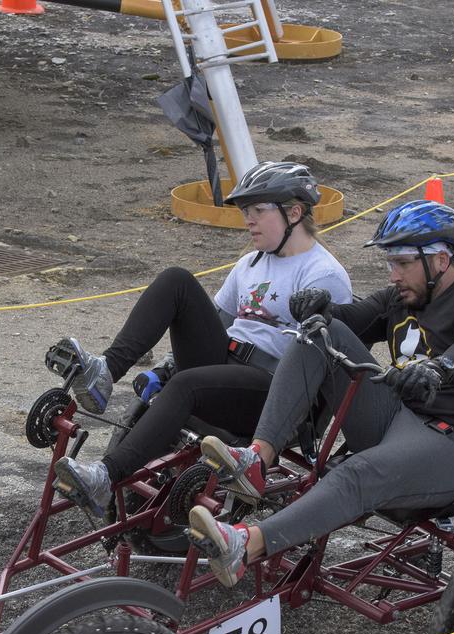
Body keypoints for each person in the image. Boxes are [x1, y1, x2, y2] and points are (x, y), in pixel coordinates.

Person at [186, 200, 454, 586]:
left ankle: (243, 546)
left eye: (402, 263)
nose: (393, 274)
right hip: (398, 418)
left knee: (356, 473)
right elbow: (350, 321)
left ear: (442, 260)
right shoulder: (401, 296)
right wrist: (320, 307)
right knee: (315, 332)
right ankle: (255, 460)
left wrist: (439, 368)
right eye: (389, 263)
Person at [51, 161, 352, 516]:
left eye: (257, 210)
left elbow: (320, 368)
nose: (248, 220)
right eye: (245, 211)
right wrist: (164, 368)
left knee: (188, 385)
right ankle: (105, 373)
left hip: (272, 391)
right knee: (176, 280)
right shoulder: (251, 263)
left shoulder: (324, 274)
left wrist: (179, 376)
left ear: (295, 212)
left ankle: (106, 476)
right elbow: (217, 321)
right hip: (226, 364)